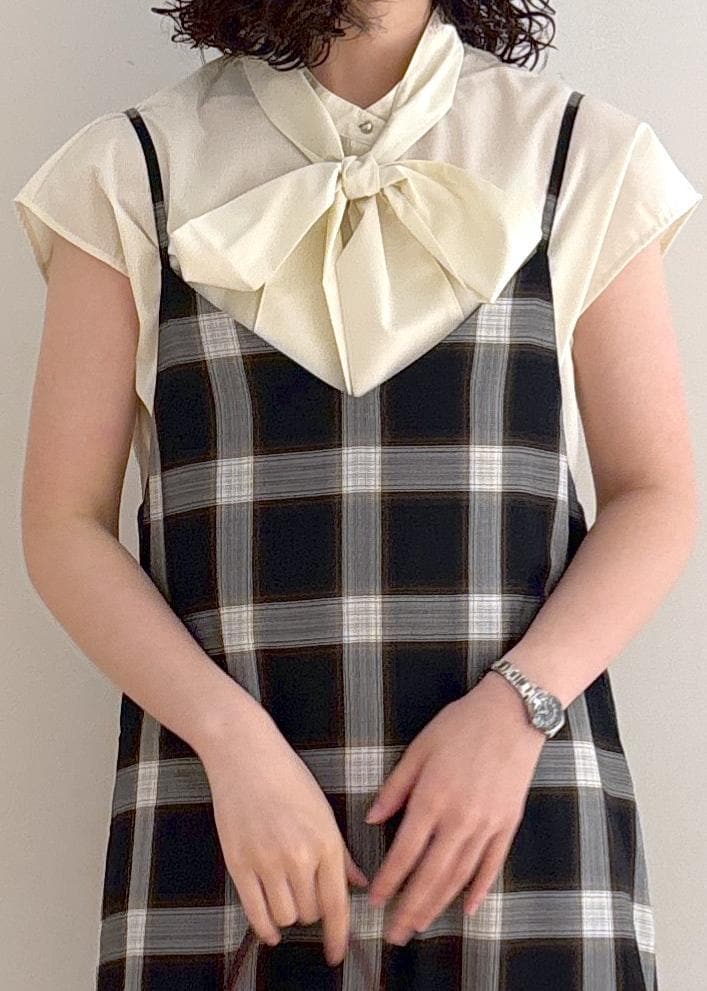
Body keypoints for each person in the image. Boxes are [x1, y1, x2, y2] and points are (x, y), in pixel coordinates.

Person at [12, 1, 702, 988]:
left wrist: (516, 709)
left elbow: (654, 493)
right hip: (228, 820)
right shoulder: (133, 169)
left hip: (517, 810)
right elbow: (62, 523)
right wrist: (231, 742)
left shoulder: (576, 152)